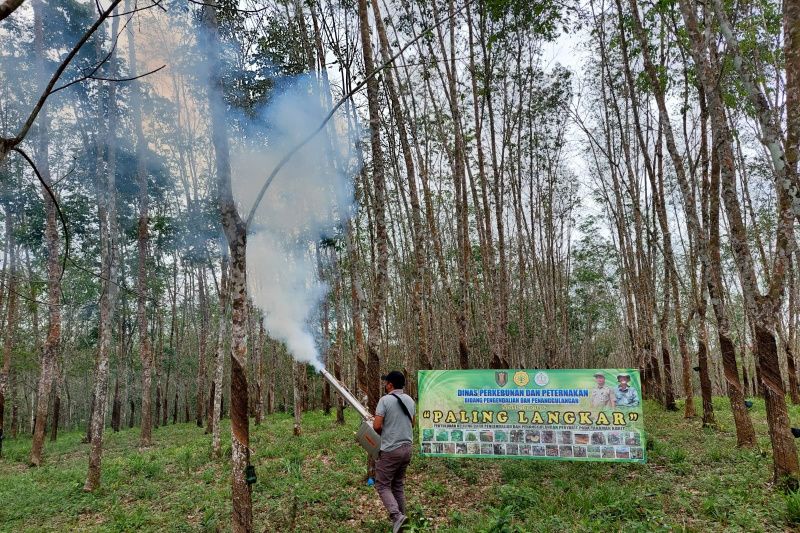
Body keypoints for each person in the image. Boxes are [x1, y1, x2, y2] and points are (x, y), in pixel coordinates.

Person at [373, 370, 415, 533]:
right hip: (407, 448)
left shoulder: (385, 400)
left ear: (390, 385)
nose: (385, 385)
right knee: (397, 485)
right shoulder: (410, 400)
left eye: (386, 383)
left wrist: (385, 430)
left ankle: (396, 516)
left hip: (391, 450)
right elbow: (412, 424)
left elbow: (376, 426)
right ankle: (403, 521)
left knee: (382, 485)